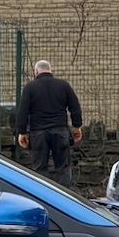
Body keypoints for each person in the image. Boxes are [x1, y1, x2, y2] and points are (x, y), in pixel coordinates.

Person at [15, 60, 82, 189]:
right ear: (50, 70)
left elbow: (23, 111)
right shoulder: (63, 85)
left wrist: (22, 132)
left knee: (40, 169)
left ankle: (43, 197)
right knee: (63, 168)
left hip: (38, 133)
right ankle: (66, 198)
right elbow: (75, 107)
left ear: (36, 72)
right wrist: (76, 126)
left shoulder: (30, 87)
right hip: (60, 131)